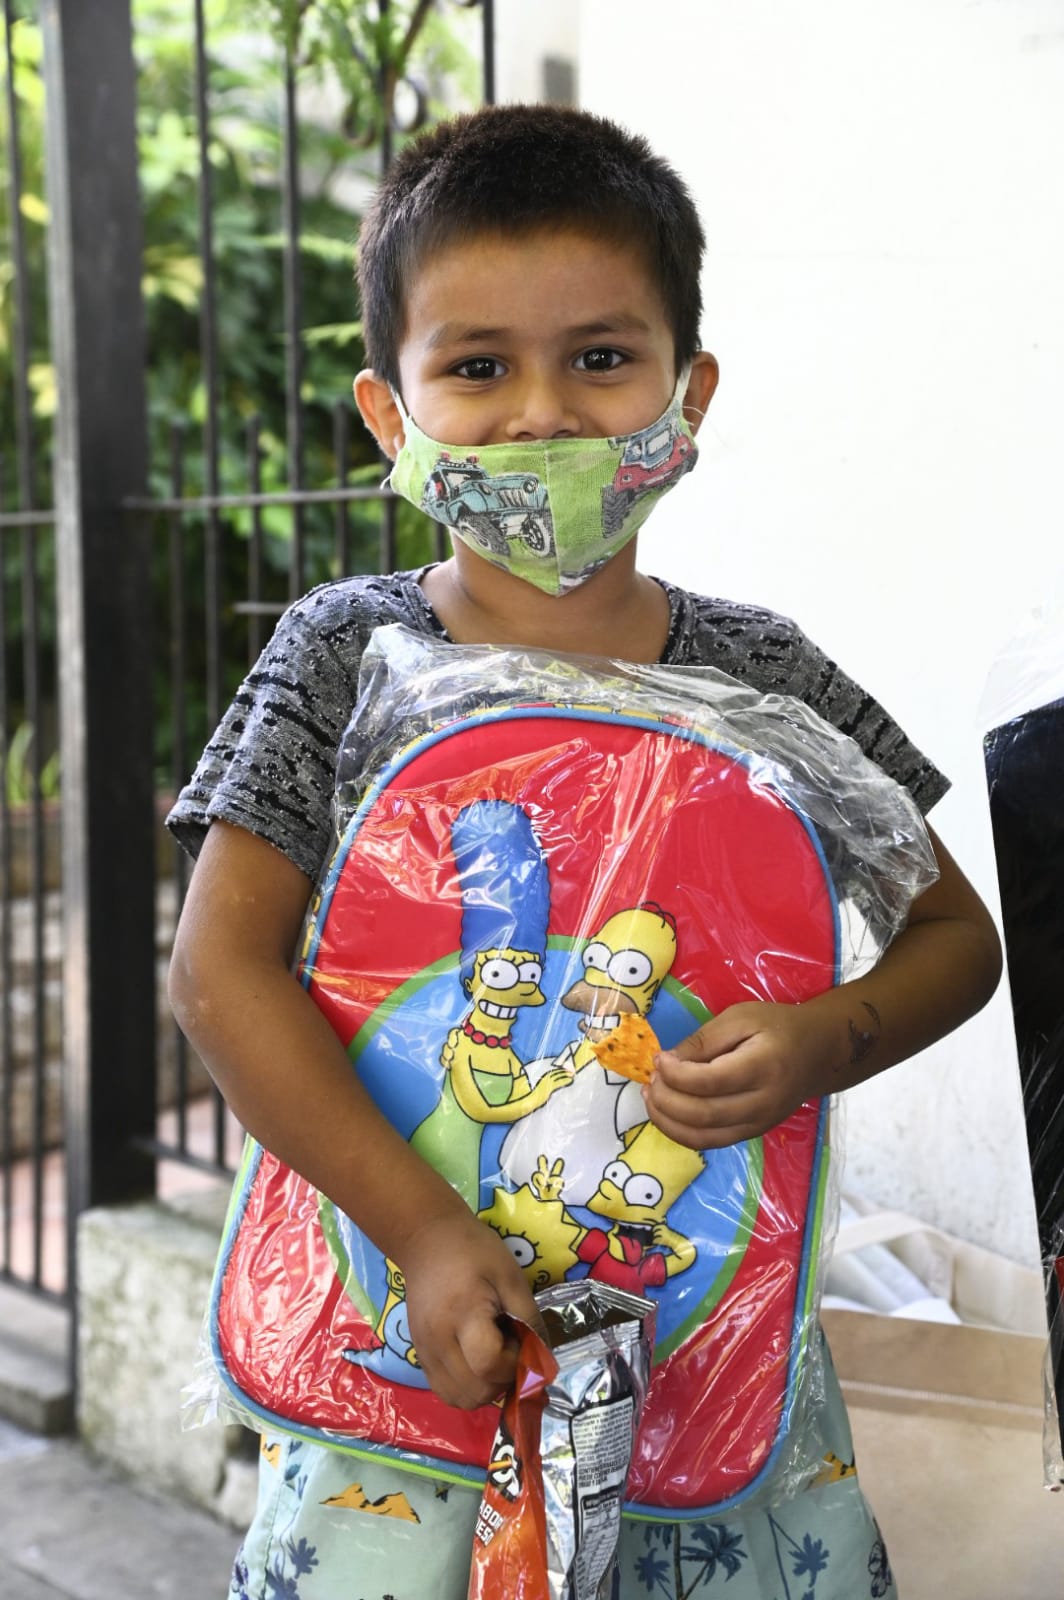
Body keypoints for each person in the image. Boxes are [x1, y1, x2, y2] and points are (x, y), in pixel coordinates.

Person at [167, 103, 1002, 1600]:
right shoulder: (344, 656)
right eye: (478, 367)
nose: (543, 414)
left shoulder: (768, 679)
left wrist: (826, 1037)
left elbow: (957, 939)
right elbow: (220, 975)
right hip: (408, 1354)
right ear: (390, 413)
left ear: (689, 392)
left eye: (602, 358)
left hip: (716, 1361)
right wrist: (425, 1233)